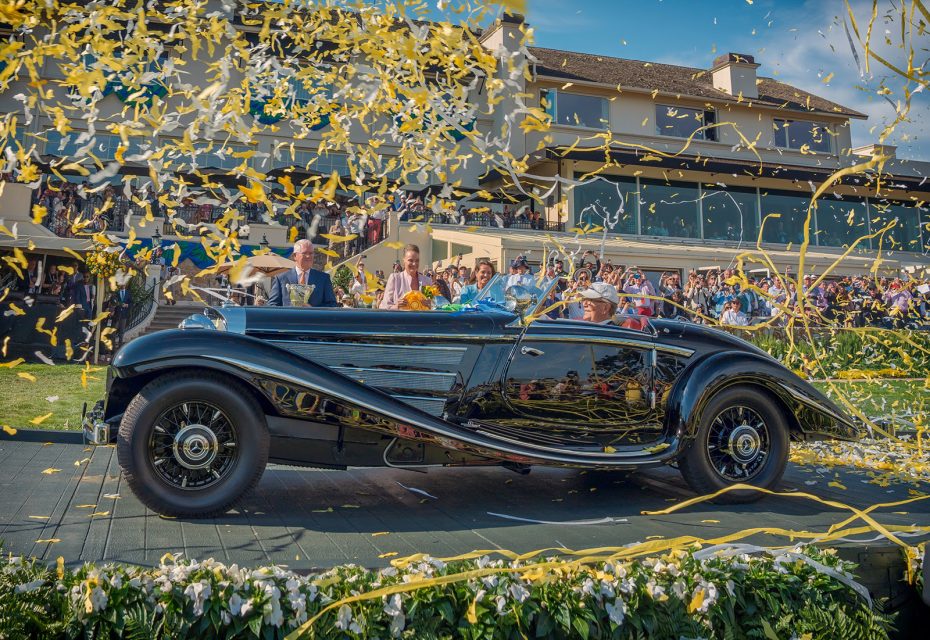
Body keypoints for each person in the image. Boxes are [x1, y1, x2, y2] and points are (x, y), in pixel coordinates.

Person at [268, 239, 338, 307]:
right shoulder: (281, 279)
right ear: (295, 256)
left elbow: (332, 305)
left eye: (311, 253)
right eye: (304, 253)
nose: (308, 256)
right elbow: (272, 305)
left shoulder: (323, 278)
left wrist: (312, 309)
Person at [380, 244, 432, 309]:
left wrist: (430, 305)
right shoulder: (395, 278)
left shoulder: (427, 281)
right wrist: (396, 306)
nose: (414, 264)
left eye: (417, 260)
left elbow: (435, 306)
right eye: (410, 260)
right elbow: (383, 307)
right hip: (400, 319)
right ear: (404, 260)